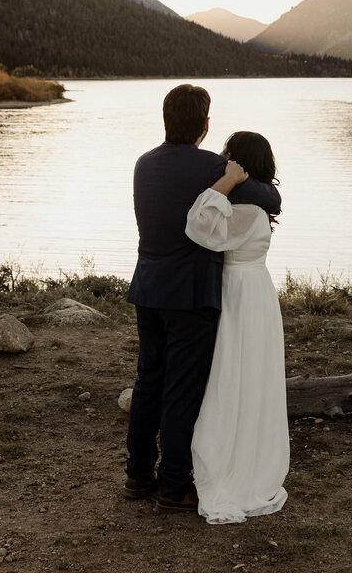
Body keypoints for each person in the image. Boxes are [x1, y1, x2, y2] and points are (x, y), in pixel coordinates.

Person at [123, 85, 282, 511]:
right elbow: (271, 198)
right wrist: (234, 175)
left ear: (165, 119)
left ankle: (138, 473)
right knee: (181, 390)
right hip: (189, 296)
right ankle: (173, 486)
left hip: (148, 288)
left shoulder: (143, 164)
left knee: (148, 380)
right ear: (205, 124)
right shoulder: (212, 167)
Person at [185, 131, 289, 524]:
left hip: (238, 294)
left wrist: (226, 181)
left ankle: (229, 460)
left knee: (231, 374)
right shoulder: (256, 204)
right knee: (252, 374)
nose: (221, 157)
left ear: (239, 162)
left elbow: (198, 224)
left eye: (227, 153)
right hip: (257, 292)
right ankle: (251, 449)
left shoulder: (244, 209)